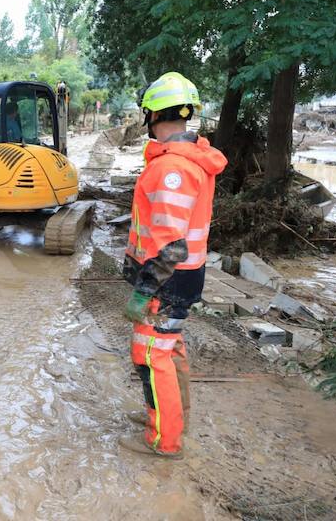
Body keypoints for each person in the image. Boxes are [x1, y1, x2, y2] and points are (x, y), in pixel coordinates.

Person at [117, 72, 227, 459]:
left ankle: (164, 438)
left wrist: (144, 290)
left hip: (167, 280)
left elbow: (171, 245)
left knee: (151, 355)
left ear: (151, 115)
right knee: (169, 348)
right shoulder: (187, 159)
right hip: (182, 277)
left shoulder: (171, 170)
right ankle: (168, 415)